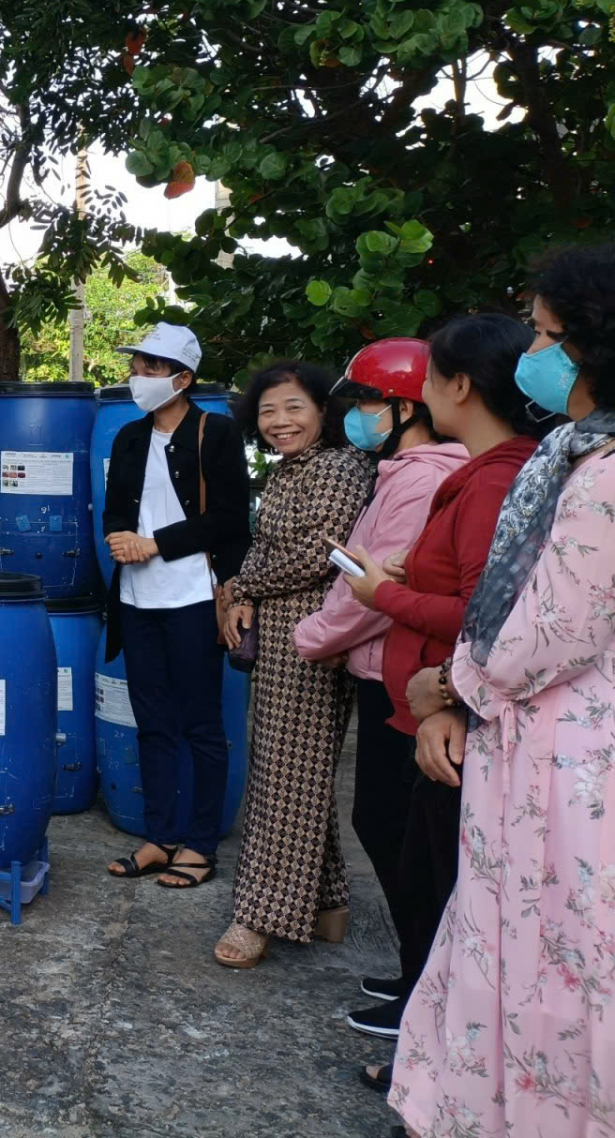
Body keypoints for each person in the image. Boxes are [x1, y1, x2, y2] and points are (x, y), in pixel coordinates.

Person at [390, 245, 615, 1138]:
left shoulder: (602, 472)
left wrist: (447, 686)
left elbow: (555, 626)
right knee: (508, 936)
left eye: (548, 334)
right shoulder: (571, 452)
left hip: (563, 753)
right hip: (534, 733)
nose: (536, 352)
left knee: (548, 947)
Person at [330, 316, 541, 1074]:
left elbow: (486, 615)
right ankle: (424, 1000)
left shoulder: (491, 480)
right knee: (418, 860)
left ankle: (437, 1040)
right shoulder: (485, 472)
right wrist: (403, 576)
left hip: (449, 713)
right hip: (424, 703)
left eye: (426, 379)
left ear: (456, 386)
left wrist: (385, 596)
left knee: (436, 875)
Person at [290, 338, 468, 1021]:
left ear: (404, 408)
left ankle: (427, 990)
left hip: (405, 679)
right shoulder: (399, 472)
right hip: (380, 666)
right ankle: (417, 973)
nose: (356, 416)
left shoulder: (421, 481)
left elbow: (374, 592)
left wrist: (313, 638)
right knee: (391, 828)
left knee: (396, 832)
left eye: (367, 402)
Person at [215, 361, 375, 969]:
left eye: (294, 408)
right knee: (293, 773)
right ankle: (329, 902)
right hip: (280, 636)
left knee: (285, 781)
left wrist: (240, 587)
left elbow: (319, 555)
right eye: (268, 411)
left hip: (313, 639)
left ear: (323, 412)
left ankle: (260, 916)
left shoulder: (338, 466)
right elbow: (267, 546)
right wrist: (246, 594)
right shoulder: (291, 469)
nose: (279, 422)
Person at [99, 323, 252, 891]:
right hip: (137, 600)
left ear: (182, 379)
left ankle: (201, 845)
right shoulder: (129, 437)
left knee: (202, 724)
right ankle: (160, 837)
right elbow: (115, 508)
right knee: (152, 722)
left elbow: (230, 518)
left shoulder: (217, 433)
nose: (137, 376)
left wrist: (154, 544)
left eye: (150, 368)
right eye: (136, 366)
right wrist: (119, 537)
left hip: (192, 596)